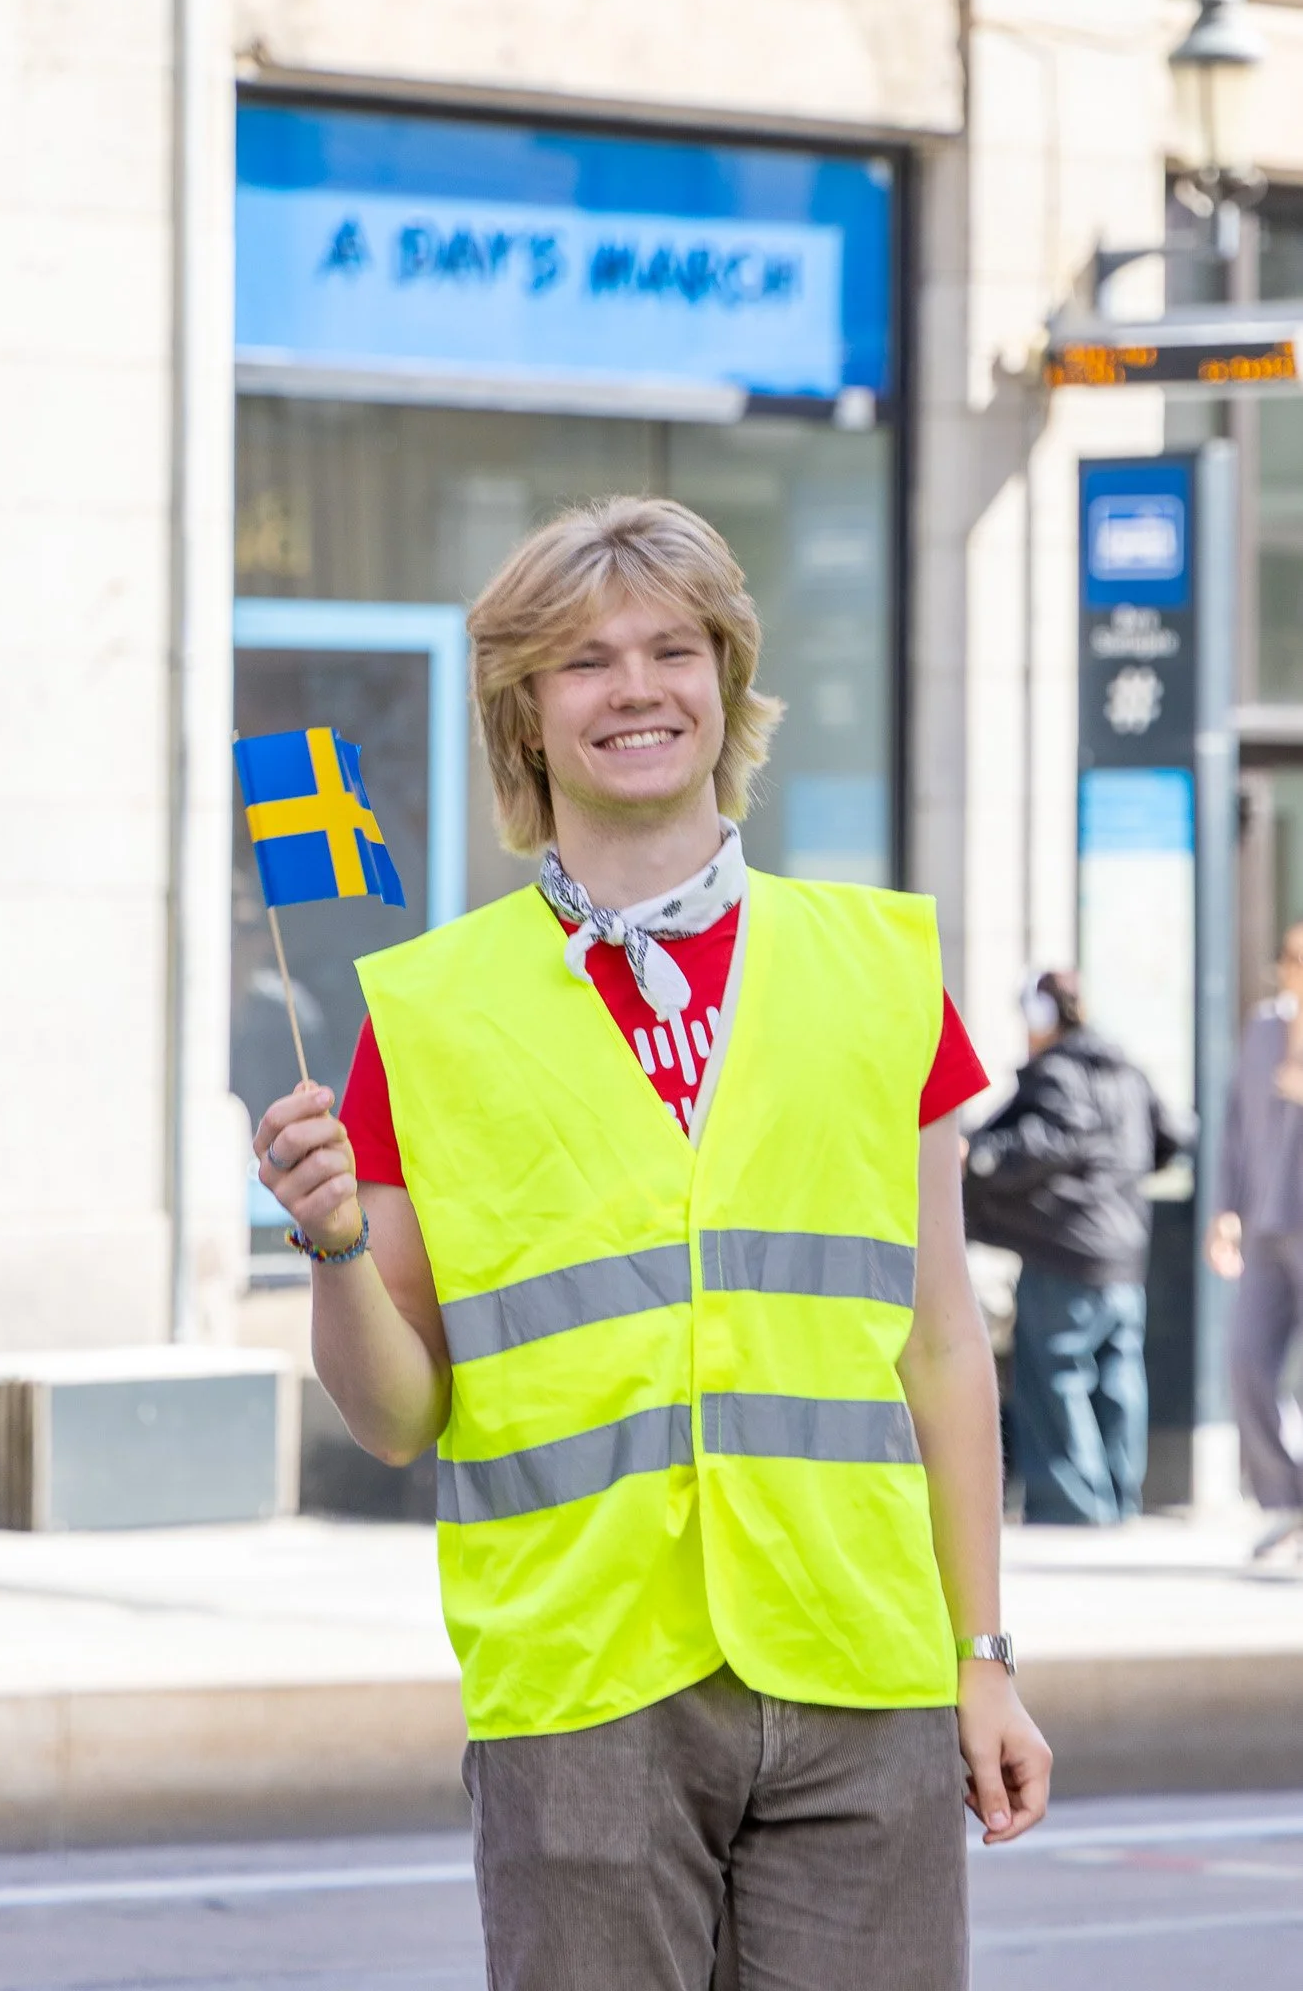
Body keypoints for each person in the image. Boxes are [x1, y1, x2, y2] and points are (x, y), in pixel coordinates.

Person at [254, 498, 1051, 1991]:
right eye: (585, 661)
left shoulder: (879, 972)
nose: (637, 688)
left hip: (860, 1663)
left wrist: (982, 1658)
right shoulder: (426, 1015)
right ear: (525, 716)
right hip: (583, 1682)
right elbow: (397, 1414)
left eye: (673, 649)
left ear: (727, 681)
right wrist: (336, 1245)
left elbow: (943, 1346)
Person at [963, 971, 1193, 1527]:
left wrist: (983, 1157)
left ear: (1044, 1019)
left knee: (1056, 1378)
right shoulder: (1126, 1070)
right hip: (1124, 1255)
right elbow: (1171, 1138)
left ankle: (1076, 1507)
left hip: (1064, 1253)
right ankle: (1118, 1501)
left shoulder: (1060, 1074)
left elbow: (1052, 1141)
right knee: (1118, 1378)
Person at [1206, 922, 1303, 1555]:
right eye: (1290, 959)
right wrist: (1225, 1210)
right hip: (1267, 1223)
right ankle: (1285, 1498)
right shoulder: (1263, 1027)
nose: (1293, 970)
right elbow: (1236, 1124)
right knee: (1246, 1361)